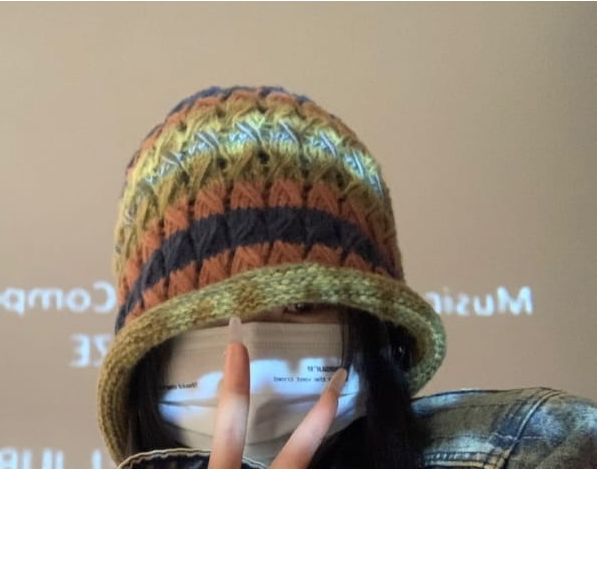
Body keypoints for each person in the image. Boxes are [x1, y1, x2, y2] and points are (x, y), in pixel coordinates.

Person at [97, 85, 597, 468]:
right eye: (209, 314)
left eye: (302, 305)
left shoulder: (531, 452)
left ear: (371, 330)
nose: (250, 360)